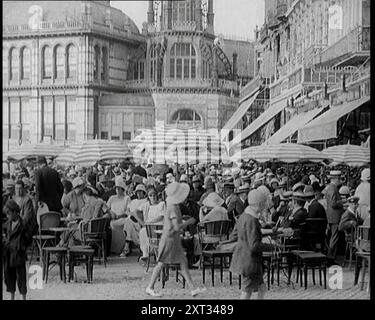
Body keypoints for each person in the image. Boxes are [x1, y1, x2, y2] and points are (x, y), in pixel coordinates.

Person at [145, 182, 206, 297]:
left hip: (173, 238)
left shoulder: (174, 206)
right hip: (169, 239)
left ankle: (192, 288)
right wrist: (189, 222)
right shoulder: (173, 207)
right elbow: (177, 226)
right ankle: (150, 287)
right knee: (162, 263)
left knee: (181, 262)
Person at [229, 189, 275, 300]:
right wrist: (271, 246)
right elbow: (254, 245)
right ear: (260, 203)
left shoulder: (243, 216)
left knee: (261, 288)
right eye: (264, 203)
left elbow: (234, 235)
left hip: (246, 259)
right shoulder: (252, 220)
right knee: (246, 291)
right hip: (250, 261)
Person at [3, 200, 29, 300]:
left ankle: (23, 297)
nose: (8, 216)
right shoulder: (7, 224)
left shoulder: (22, 225)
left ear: (15, 212)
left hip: (18, 255)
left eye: (9, 213)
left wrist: (20, 246)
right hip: (9, 254)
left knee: (21, 277)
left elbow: (27, 239)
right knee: (9, 277)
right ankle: (12, 297)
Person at [139, 186, 165, 262]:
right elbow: (135, 212)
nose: (153, 197)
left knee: (147, 230)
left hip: (160, 226)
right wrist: (142, 221)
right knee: (143, 231)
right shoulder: (148, 207)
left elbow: (161, 216)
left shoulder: (162, 204)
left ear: (157, 195)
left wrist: (150, 222)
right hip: (151, 227)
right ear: (148, 197)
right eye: (151, 195)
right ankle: (146, 254)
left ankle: (157, 255)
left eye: (154, 195)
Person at [324, 170, 345, 265]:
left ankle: (330, 256)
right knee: (334, 237)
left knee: (332, 237)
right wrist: (342, 202)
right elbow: (333, 204)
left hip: (331, 216)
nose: (340, 180)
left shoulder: (329, 188)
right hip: (335, 216)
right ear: (335, 179)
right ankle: (331, 257)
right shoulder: (333, 188)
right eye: (339, 178)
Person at [121, 184, 148, 257]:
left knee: (128, 221)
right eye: (137, 192)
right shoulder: (133, 201)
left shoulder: (146, 201)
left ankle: (127, 246)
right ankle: (127, 246)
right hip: (132, 220)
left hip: (141, 221)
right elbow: (126, 210)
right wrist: (131, 214)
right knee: (128, 221)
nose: (139, 193)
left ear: (144, 192)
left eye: (140, 192)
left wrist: (135, 215)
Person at [108, 178, 131, 255]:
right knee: (112, 224)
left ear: (122, 189)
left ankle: (125, 247)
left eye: (119, 188)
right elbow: (107, 208)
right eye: (116, 188)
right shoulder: (112, 198)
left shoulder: (126, 198)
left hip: (123, 218)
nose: (117, 190)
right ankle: (115, 249)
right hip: (113, 219)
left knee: (127, 222)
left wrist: (120, 215)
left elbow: (128, 210)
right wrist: (111, 213)